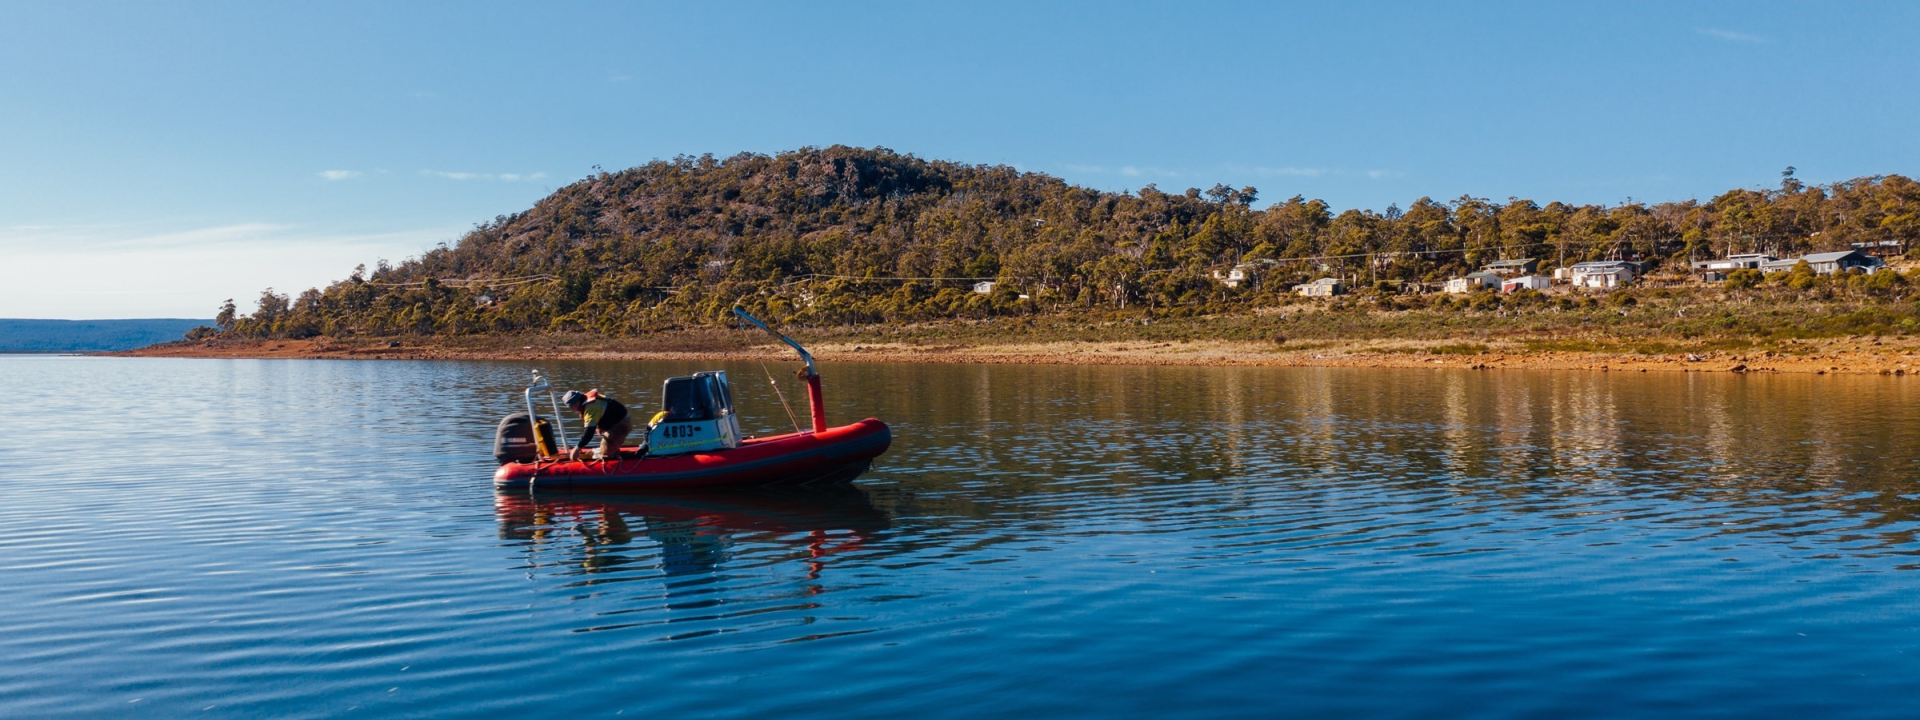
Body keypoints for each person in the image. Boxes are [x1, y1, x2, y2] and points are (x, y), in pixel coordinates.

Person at [562, 389, 632, 461]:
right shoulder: (587, 399)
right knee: (607, 446)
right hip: (614, 421)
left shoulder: (590, 407)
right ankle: (613, 451)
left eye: (571, 407)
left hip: (620, 423)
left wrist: (577, 448)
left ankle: (614, 456)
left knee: (605, 455)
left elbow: (588, 433)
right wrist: (599, 426)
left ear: (574, 404)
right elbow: (604, 409)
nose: (572, 409)